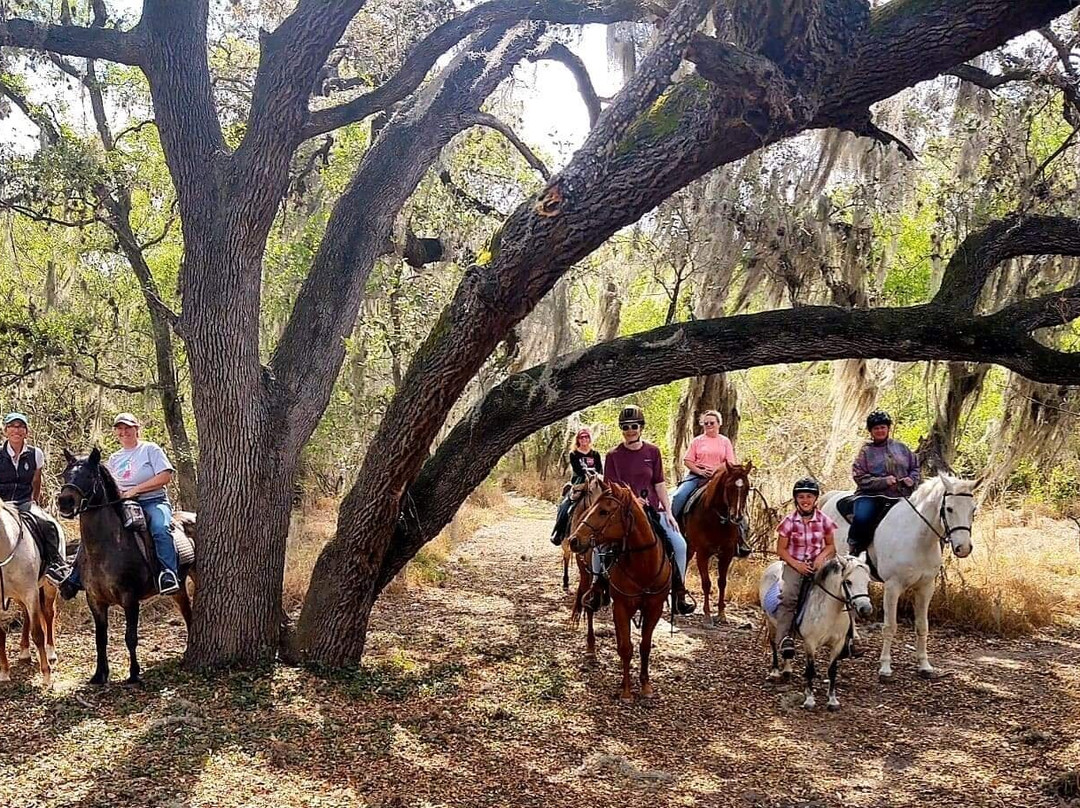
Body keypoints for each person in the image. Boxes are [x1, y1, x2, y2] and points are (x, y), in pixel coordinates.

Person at [61, 412, 180, 598]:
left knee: (160, 528)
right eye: (120, 429)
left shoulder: (150, 449)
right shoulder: (115, 458)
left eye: (128, 428)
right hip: (124, 503)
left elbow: (165, 477)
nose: (124, 432)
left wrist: (137, 489)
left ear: (137, 429)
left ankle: (167, 573)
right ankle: (75, 576)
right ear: (116, 432)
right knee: (95, 533)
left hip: (152, 501)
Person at [597, 404, 694, 615]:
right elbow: (610, 487)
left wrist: (668, 512)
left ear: (641, 427)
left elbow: (659, 483)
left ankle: (678, 592)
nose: (630, 430)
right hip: (624, 513)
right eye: (625, 427)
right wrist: (631, 500)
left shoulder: (653, 451)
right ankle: (598, 587)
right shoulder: (613, 455)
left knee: (679, 544)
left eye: (633, 426)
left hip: (652, 510)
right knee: (599, 546)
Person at [0, 412, 70, 586]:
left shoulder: (35, 454)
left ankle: (56, 564)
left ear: (26, 431)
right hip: (2, 504)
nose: (16, 430)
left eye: (20, 426)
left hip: (24, 502)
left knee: (49, 525)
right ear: (5, 430)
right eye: (12, 426)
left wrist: (34, 501)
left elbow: (36, 480)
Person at [774, 477, 837, 659]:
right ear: (796, 499)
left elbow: (831, 546)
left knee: (840, 590)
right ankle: (785, 637)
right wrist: (797, 565)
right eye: (801, 497)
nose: (805, 500)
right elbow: (781, 549)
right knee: (789, 596)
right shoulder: (789, 521)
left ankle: (848, 637)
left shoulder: (824, 520)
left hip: (818, 565)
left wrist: (820, 558)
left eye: (809, 496)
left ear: (815, 498)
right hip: (796, 564)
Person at [848, 409, 920, 555]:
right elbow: (859, 476)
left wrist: (911, 479)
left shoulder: (902, 448)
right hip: (871, 496)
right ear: (871, 431)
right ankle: (855, 551)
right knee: (862, 516)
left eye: (882, 427)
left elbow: (916, 467)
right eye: (876, 428)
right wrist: (883, 481)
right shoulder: (865, 451)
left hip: (901, 496)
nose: (880, 430)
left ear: (888, 428)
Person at [551, 428, 604, 545]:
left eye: (586, 437)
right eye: (582, 437)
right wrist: (588, 476)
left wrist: (597, 478)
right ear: (578, 440)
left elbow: (600, 469)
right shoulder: (573, 454)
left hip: (594, 483)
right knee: (565, 505)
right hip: (579, 484)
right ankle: (558, 533)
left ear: (590, 439)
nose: (584, 439)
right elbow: (578, 470)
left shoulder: (595, 454)